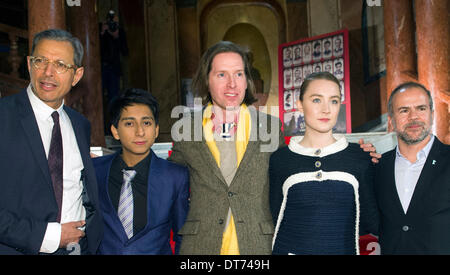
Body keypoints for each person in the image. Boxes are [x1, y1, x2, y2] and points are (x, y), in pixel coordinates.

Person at [168, 41, 285, 255]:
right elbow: (167, 182)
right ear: (207, 80)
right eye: (222, 74)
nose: (232, 84)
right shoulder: (185, 129)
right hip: (201, 248)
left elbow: (287, 180)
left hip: (257, 247)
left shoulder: (270, 128)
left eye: (238, 74)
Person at [0, 29, 103, 254]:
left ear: (76, 75)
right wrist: (50, 236)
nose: (48, 72)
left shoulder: (80, 125)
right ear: (28, 64)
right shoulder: (4, 117)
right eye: (41, 61)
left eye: (60, 65)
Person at [270, 72, 379, 255]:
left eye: (334, 101)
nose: (326, 109)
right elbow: (276, 217)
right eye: (316, 100)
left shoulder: (360, 157)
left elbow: (371, 221)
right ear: (299, 105)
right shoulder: (280, 160)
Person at [92, 88, 189, 255]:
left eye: (147, 123)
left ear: (156, 130)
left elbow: (183, 237)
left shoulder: (175, 176)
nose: (140, 132)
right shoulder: (95, 170)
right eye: (129, 123)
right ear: (115, 131)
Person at [374, 82, 450, 255]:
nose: (413, 117)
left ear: (431, 114)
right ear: (391, 120)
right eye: (404, 110)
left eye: (421, 108)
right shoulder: (377, 167)